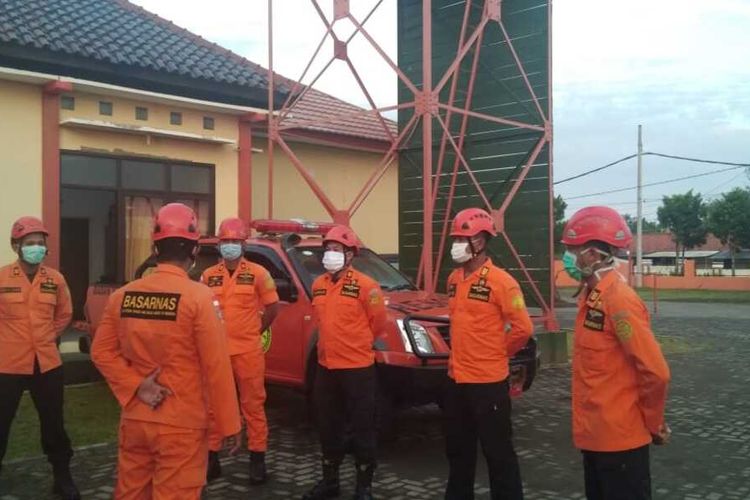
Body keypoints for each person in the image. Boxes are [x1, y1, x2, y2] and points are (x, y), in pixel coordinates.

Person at [91, 203, 241, 499]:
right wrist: (229, 423)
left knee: (131, 492)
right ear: (195, 251)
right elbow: (217, 365)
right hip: (181, 424)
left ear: (155, 248)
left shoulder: (123, 296)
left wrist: (136, 386)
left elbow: (101, 352)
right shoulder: (200, 298)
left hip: (136, 417)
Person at [561, 205, 671, 500]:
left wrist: (653, 423)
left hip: (620, 443)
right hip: (595, 437)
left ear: (594, 255)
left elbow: (655, 370)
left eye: (572, 250)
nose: (567, 258)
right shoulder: (592, 298)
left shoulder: (619, 301)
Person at [444, 207, 533, 500]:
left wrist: (497, 353)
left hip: (489, 384)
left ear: (480, 242)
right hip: (456, 381)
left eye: (461, 238)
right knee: (458, 452)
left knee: (499, 454)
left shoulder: (502, 282)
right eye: (455, 238)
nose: (455, 244)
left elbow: (522, 329)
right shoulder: (454, 280)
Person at [302, 225, 387, 500]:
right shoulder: (319, 286)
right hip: (326, 368)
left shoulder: (366, 286)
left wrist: (356, 345)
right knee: (328, 426)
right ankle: (330, 481)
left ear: (350, 255)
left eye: (337, 250)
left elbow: (378, 323)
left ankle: (364, 486)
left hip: (358, 370)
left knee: (363, 427)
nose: (330, 254)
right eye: (328, 249)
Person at [0, 216, 79, 499]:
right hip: (7, 364)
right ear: (15, 246)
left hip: (46, 363)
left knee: (54, 425)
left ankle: (62, 478)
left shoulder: (55, 279)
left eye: (40, 244)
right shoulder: (2, 277)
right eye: (29, 243)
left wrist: (47, 335)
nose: (36, 248)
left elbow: (65, 314)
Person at [201, 217, 280, 484]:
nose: (230, 246)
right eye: (226, 242)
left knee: (253, 406)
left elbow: (272, 308)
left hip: (248, 350)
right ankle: (212, 459)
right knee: (212, 406)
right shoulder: (208, 275)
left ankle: (257, 459)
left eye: (235, 242)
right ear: (219, 245)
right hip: (217, 353)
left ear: (244, 244)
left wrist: (255, 331)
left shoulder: (259, 273)